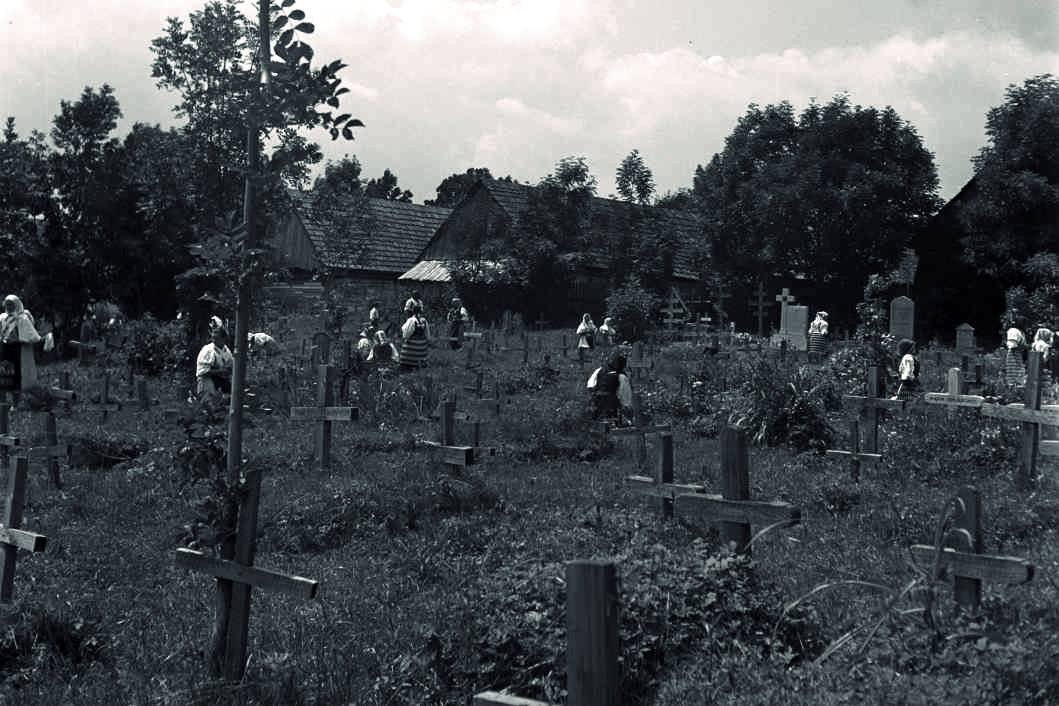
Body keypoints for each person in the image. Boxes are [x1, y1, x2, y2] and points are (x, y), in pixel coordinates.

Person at [0, 294, 41, 391]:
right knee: (4, 369)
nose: (8, 307)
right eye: (7, 304)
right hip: (4, 347)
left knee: (17, 370)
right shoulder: (2, 317)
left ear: (16, 305)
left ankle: (16, 392)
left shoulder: (22, 318)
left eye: (11, 304)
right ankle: (4, 391)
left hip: (18, 347)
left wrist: (20, 339)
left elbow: (32, 336)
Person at [586, 351, 634, 423]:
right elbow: (625, 396)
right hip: (612, 403)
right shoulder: (621, 376)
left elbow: (590, 385)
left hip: (597, 402)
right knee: (623, 408)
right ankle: (622, 422)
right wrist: (626, 408)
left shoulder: (599, 370)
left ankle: (596, 418)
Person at [195, 326, 234, 399]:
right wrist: (220, 371)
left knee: (228, 398)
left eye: (217, 338)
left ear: (224, 338)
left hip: (222, 381)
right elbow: (202, 372)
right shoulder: (208, 350)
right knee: (210, 401)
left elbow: (231, 366)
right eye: (213, 338)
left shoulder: (226, 350)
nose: (214, 340)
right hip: (207, 381)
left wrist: (229, 369)